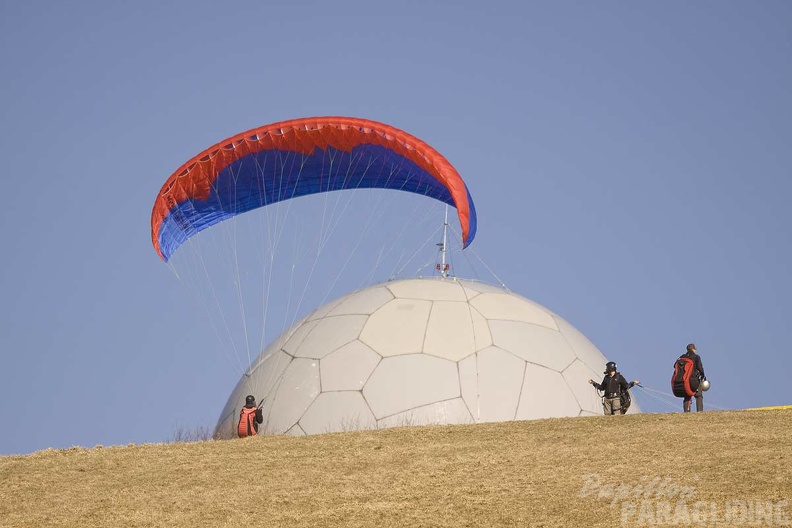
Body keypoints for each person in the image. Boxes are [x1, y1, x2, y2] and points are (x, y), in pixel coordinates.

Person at [680, 343, 706, 412]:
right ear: (693, 349)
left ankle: (686, 412)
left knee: (687, 396)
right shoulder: (696, 357)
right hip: (694, 380)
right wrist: (703, 376)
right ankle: (700, 412)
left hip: (684, 380)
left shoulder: (682, 357)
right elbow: (700, 368)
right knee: (699, 396)